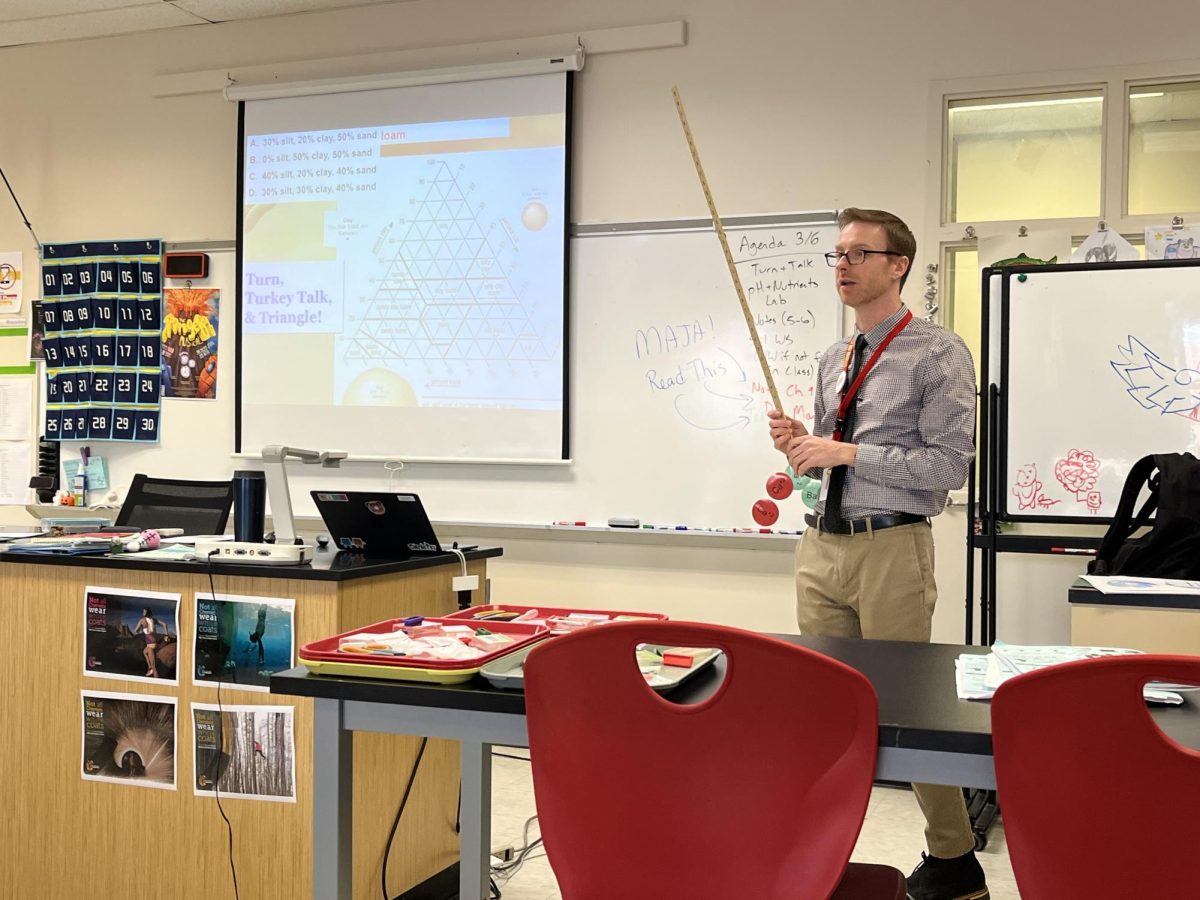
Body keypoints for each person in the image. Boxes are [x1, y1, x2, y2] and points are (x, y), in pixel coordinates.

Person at [767, 208, 986, 900]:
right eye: (836, 253)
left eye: (860, 253)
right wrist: (803, 444)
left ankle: (954, 859)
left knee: (908, 709)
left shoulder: (938, 352)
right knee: (822, 711)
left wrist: (845, 451)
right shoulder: (835, 358)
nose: (843, 265)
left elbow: (948, 467)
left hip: (892, 547)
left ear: (899, 265)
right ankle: (821, 858)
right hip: (820, 546)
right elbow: (828, 466)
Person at [134, 608, 160, 678]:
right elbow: (162, 625)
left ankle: (156, 679)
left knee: (154, 668)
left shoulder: (142, 620)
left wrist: (139, 630)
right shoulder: (151, 620)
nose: (143, 612)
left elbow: (136, 630)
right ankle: (149, 666)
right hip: (153, 642)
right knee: (144, 651)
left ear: (146, 613)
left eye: (144, 612)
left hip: (150, 644)